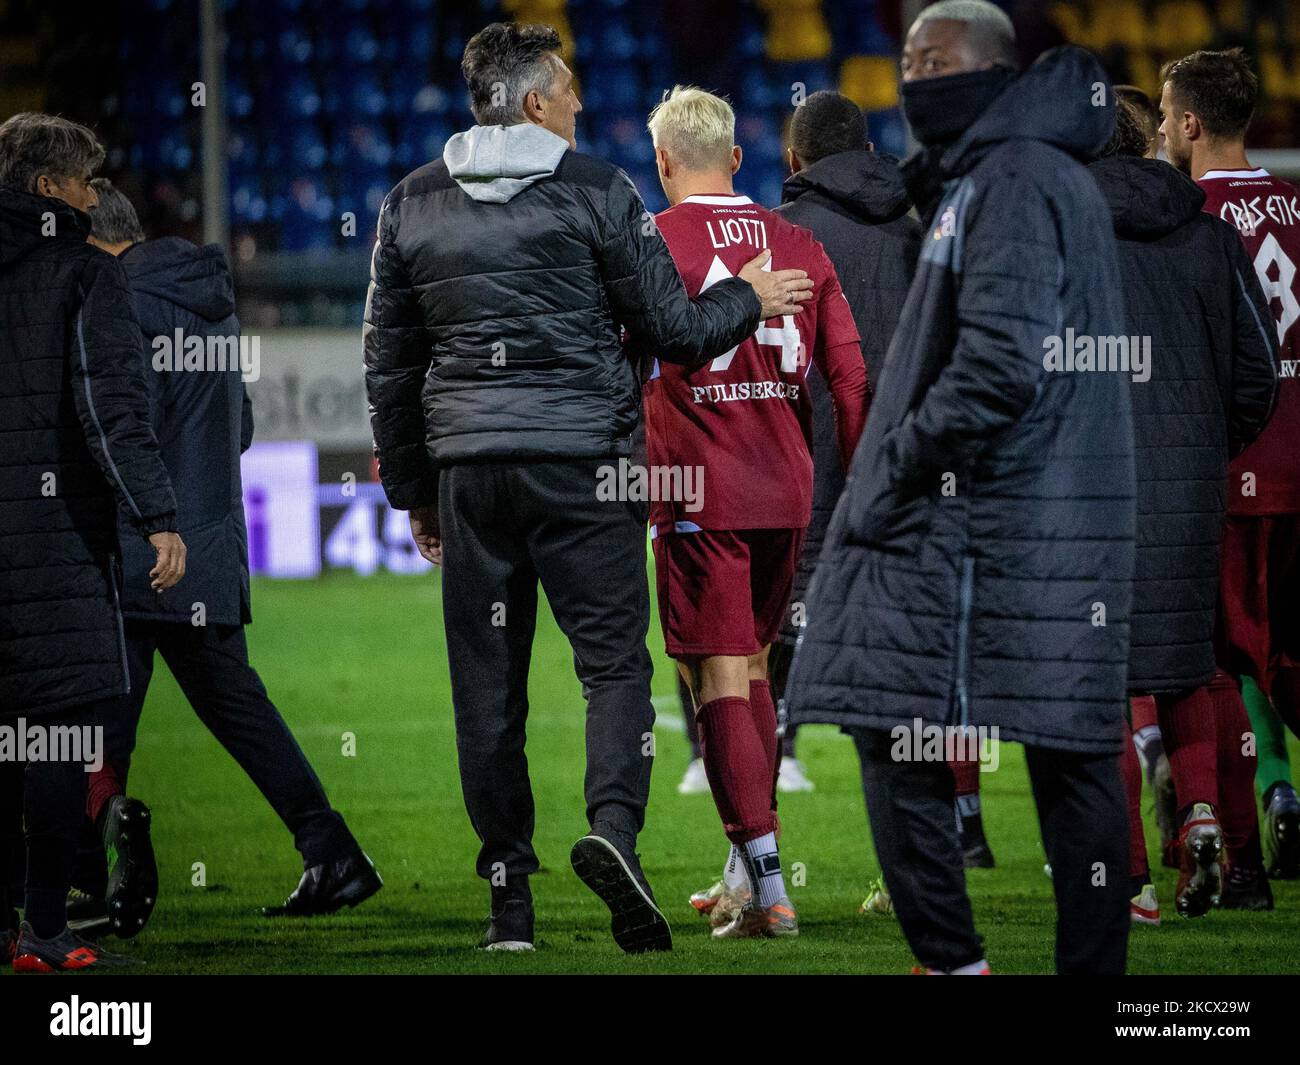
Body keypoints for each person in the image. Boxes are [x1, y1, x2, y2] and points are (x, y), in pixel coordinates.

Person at [364, 22, 812, 954]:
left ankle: (509, 907)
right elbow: (676, 330)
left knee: (485, 689)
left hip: (472, 477)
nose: (577, 102)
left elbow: (389, 367)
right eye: (565, 89)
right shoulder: (600, 189)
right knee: (613, 669)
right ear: (533, 102)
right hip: (587, 468)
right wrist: (751, 299)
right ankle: (616, 838)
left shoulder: (410, 203)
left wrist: (414, 491)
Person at [786, 1, 1135, 975]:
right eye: (904, 59)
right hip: (1026, 518)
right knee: (1038, 740)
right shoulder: (992, 175)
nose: (910, 78)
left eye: (930, 60)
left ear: (989, 69)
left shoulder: (1013, 182)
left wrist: (892, 466)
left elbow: (996, 366)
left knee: (919, 730)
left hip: (991, 519)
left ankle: (954, 961)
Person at [69, 179, 380, 936]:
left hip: (138, 545)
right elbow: (238, 425)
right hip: (207, 553)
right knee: (241, 713)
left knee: (93, 720)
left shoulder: (113, 303)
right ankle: (332, 853)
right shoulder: (209, 301)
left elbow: (116, 428)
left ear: (95, 242)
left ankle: (88, 868)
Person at [638, 86, 869, 939]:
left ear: (663, 163)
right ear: (737, 159)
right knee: (757, 669)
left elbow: (619, 366)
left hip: (702, 488)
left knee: (718, 676)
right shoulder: (798, 239)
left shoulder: (652, 242)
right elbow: (850, 378)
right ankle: (745, 868)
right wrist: (867, 485)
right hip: (789, 488)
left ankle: (770, 885)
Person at [0, 113, 185, 971]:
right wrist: (156, 515)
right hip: (53, 545)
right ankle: (43, 927)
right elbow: (110, 414)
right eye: (82, 181)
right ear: (47, 190)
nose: (93, 195)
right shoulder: (80, 273)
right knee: (54, 735)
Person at [1089, 96, 1278, 921]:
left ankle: (1129, 881)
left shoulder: (1066, 236)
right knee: (1192, 664)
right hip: (1193, 487)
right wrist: (1210, 443)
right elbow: (1259, 368)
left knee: (1102, 683)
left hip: (1090, 488)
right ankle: (1203, 816)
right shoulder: (1209, 233)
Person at [1161, 47, 1300, 881]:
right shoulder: (1294, 205)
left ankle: (1241, 864)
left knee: (1208, 663)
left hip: (1226, 474)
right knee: (1288, 658)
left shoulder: (1186, 218)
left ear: (1187, 123)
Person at [769, 90, 922, 804]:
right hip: (908, 473)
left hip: (798, 473)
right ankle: (956, 831)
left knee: (769, 644)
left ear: (793, 159)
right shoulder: (921, 228)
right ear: (867, 152)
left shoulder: (773, 235)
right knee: (911, 659)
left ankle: (756, 859)